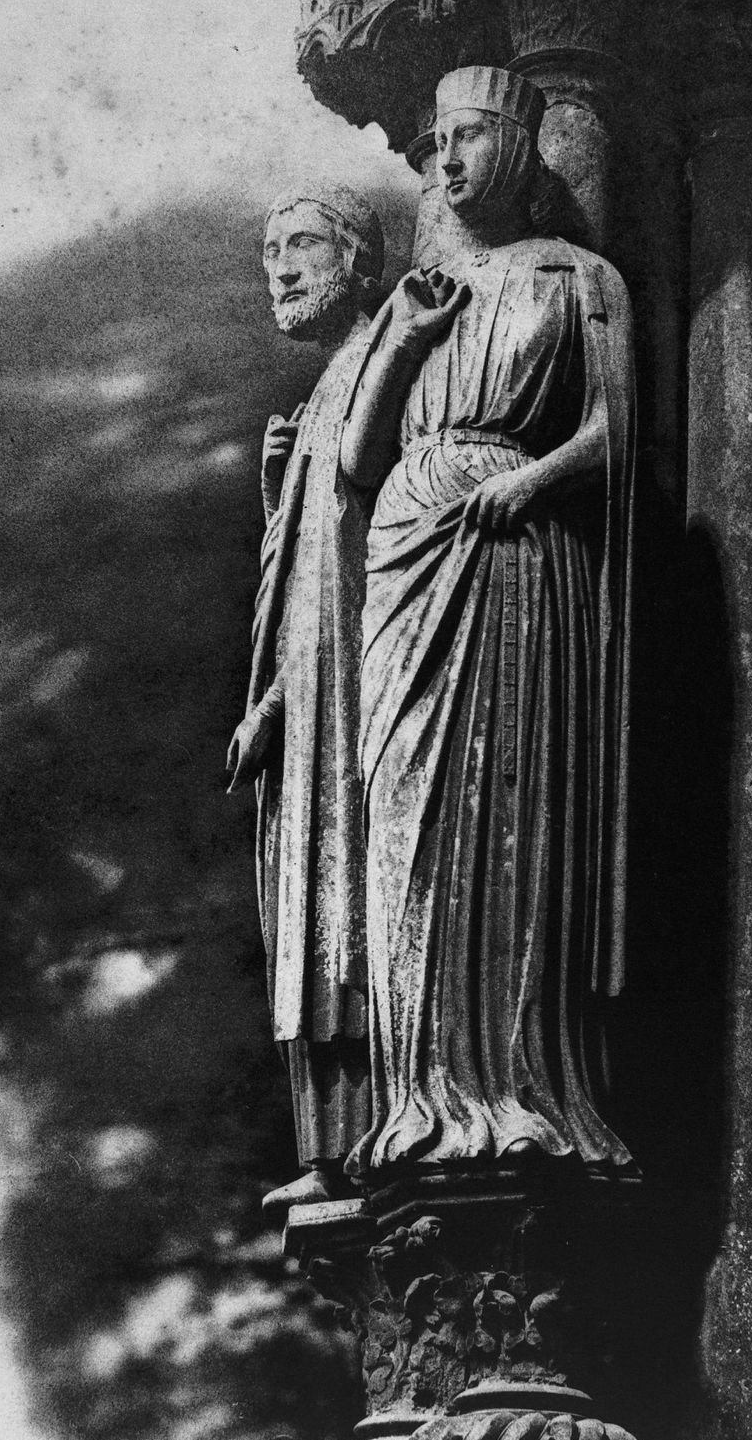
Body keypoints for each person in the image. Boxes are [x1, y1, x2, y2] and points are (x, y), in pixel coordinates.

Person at [341, 66, 636, 1174]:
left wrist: (530, 481)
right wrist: (408, 342)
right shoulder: (419, 299)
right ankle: (419, 1095)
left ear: (517, 149)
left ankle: (513, 1086)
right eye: (434, 146)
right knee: (405, 816)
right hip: (407, 551)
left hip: (511, 551)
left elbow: (612, 433)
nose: (446, 163)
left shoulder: (577, 278)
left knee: (501, 812)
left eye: (467, 140)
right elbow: (362, 460)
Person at [226, 183, 464, 1211]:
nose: (280, 267)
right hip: (314, 693)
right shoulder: (327, 381)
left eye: (303, 245)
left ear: (361, 260)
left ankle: (371, 1134)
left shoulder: (382, 354)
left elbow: (381, 523)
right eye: (270, 250)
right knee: (310, 902)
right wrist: (274, 700)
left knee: (353, 901)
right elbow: (308, 570)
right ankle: (329, 1148)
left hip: (369, 682)